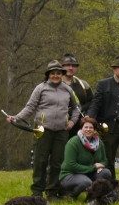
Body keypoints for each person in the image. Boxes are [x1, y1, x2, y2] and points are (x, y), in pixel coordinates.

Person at [9, 59, 81, 197]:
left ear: (62, 74)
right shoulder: (40, 88)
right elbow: (30, 107)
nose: (56, 75)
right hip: (42, 130)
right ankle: (37, 191)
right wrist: (16, 118)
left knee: (57, 163)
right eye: (53, 73)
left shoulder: (68, 89)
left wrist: (72, 122)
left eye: (58, 73)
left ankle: (52, 192)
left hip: (61, 132)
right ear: (48, 74)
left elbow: (77, 108)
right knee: (40, 161)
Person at [59, 117, 113, 199]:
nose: (88, 129)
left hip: (88, 173)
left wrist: (101, 165)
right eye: (86, 127)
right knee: (86, 182)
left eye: (91, 127)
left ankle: (94, 196)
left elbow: (104, 160)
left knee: (106, 172)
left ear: (94, 130)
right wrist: (93, 167)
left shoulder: (99, 143)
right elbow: (71, 165)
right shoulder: (73, 142)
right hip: (70, 174)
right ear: (81, 129)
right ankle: (70, 196)